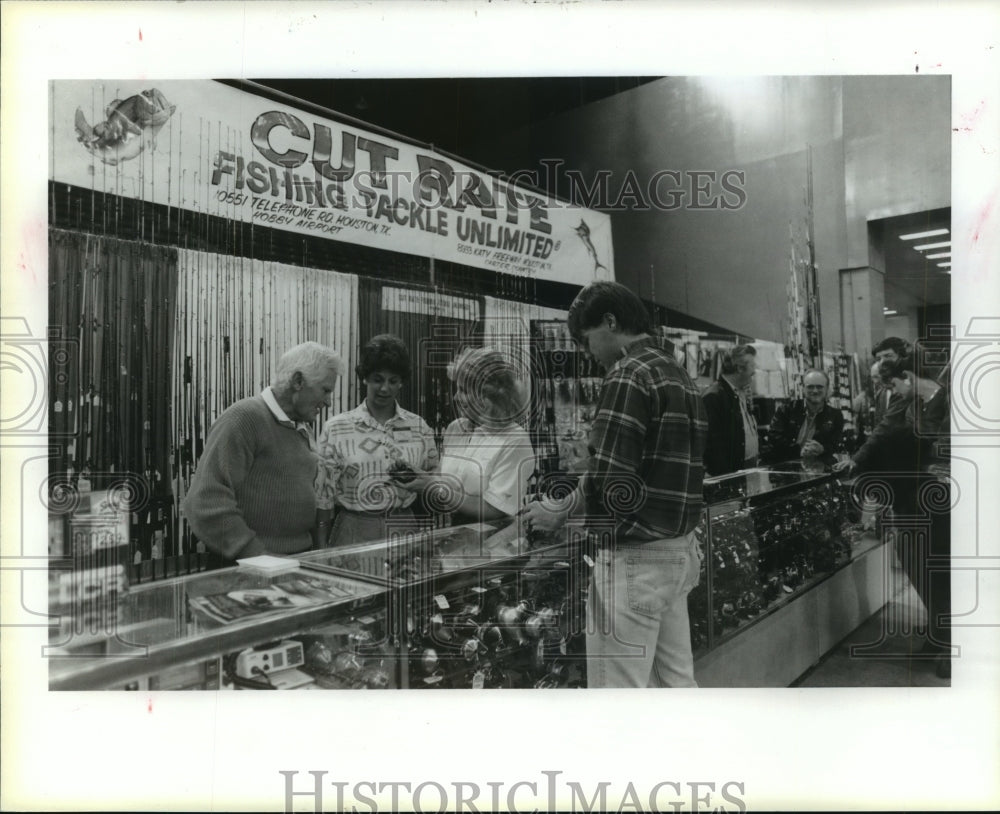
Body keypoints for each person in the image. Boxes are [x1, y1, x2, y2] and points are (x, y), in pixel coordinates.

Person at [523, 281, 707, 688]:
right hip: (680, 552)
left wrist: (558, 512)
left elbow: (612, 481)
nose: (588, 355)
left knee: (618, 700)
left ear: (610, 321)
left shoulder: (626, 374)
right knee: (675, 683)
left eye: (587, 342)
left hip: (636, 562)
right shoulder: (679, 374)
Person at [835, 356, 952, 677]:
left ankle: (950, 639)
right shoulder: (906, 402)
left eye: (896, 383)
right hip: (909, 499)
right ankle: (939, 628)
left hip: (941, 503)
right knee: (915, 562)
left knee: (941, 570)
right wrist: (856, 461)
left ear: (910, 376)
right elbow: (881, 434)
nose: (893, 390)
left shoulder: (949, 401)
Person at [183, 341, 344, 561]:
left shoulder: (300, 427)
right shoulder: (244, 418)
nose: (327, 402)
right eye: (325, 390)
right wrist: (256, 556)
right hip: (252, 571)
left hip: (292, 564)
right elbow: (205, 501)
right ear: (298, 381)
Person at [314, 334, 439, 547]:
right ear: (365, 378)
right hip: (353, 529)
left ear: (402, 382)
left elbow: (435, 480)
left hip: (405, 528)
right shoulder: (337, 428)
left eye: (393, 381)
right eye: (378, 379)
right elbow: (323, 495)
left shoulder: (419, 427)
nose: (384, 388)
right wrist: (320, 548)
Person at [397, 347, 536, 526]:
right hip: (456, 537)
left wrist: (432, 486)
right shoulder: (456, 428)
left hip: (496, 543)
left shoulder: (515, 440)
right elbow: (444, 481)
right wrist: (418, 476)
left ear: (488, 395)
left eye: (463, 391)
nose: (455, 397)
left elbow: (495, 510)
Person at [764, 368, 844, 466]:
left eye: (819, 387)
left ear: (827, 388)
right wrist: (798, 450)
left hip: (818, 469)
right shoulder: (785, 410)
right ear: (803, 388)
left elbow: (836, 444)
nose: (815, 391)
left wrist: (823, 449)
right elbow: (773, 439)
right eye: (810, 387)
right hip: (785, 468)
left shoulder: (835, 415)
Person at [701, 344, 759, 476]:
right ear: (739, 368)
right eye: (752, 366)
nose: (755, 371)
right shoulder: (713, 397)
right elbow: (713, 447)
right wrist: (729, 479)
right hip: (730, 477)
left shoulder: (739, 391)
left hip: (746, 472)